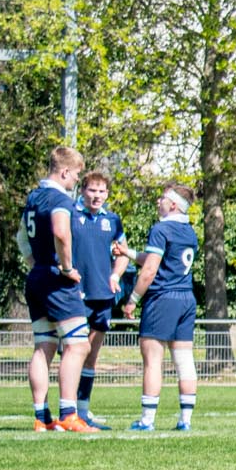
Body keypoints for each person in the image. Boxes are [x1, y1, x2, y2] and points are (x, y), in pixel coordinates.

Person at [18, 146, 95, 433]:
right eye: (76, 175)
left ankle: (42, 417)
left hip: (37, 276)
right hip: (55, 278)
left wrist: (35, 265)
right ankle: (69, 414)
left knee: (44, 345)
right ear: (64, 172)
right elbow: (61, 233)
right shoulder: (58, 198)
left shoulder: (33, 197)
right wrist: (65, 268)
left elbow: (21, 238)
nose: (76, 181)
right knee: (78, 345)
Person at [120, 183, 200, 432]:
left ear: (173, 204)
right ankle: (185, 420)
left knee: (153, 360)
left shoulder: (161, 229)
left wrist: (133, 298)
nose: (158, 201)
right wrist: (128, 252)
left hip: (163, 298)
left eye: (163, 197)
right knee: (184, 360)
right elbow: (158, 258)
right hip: (186, 297)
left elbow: (151, 269)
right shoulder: (189, 231)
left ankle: (147, 420)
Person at [68, 169, 131, 430]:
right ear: (83, 191)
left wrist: (116, 274)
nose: (97, 196)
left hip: (102, 295)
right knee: (73, 352)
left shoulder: (113, 220)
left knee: (92, 355)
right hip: (75, 294)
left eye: (102, 191)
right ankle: (67, 410)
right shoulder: (71, 215)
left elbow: (123, 252)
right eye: (92, 190)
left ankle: (83, 410)